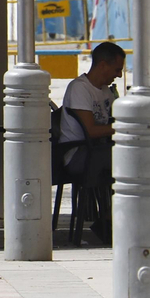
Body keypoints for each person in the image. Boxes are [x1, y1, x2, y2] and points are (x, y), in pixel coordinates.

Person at [58, 41, 124, 239]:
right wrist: (124, 128)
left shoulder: (105, 91)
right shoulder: (80, 89)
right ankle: (110, 220)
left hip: (99, 150)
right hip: (78, 154)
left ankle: (111, 218)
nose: (119, 75)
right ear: (102, 65)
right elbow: (91, 130)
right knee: (131, 160)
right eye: (117, 69)